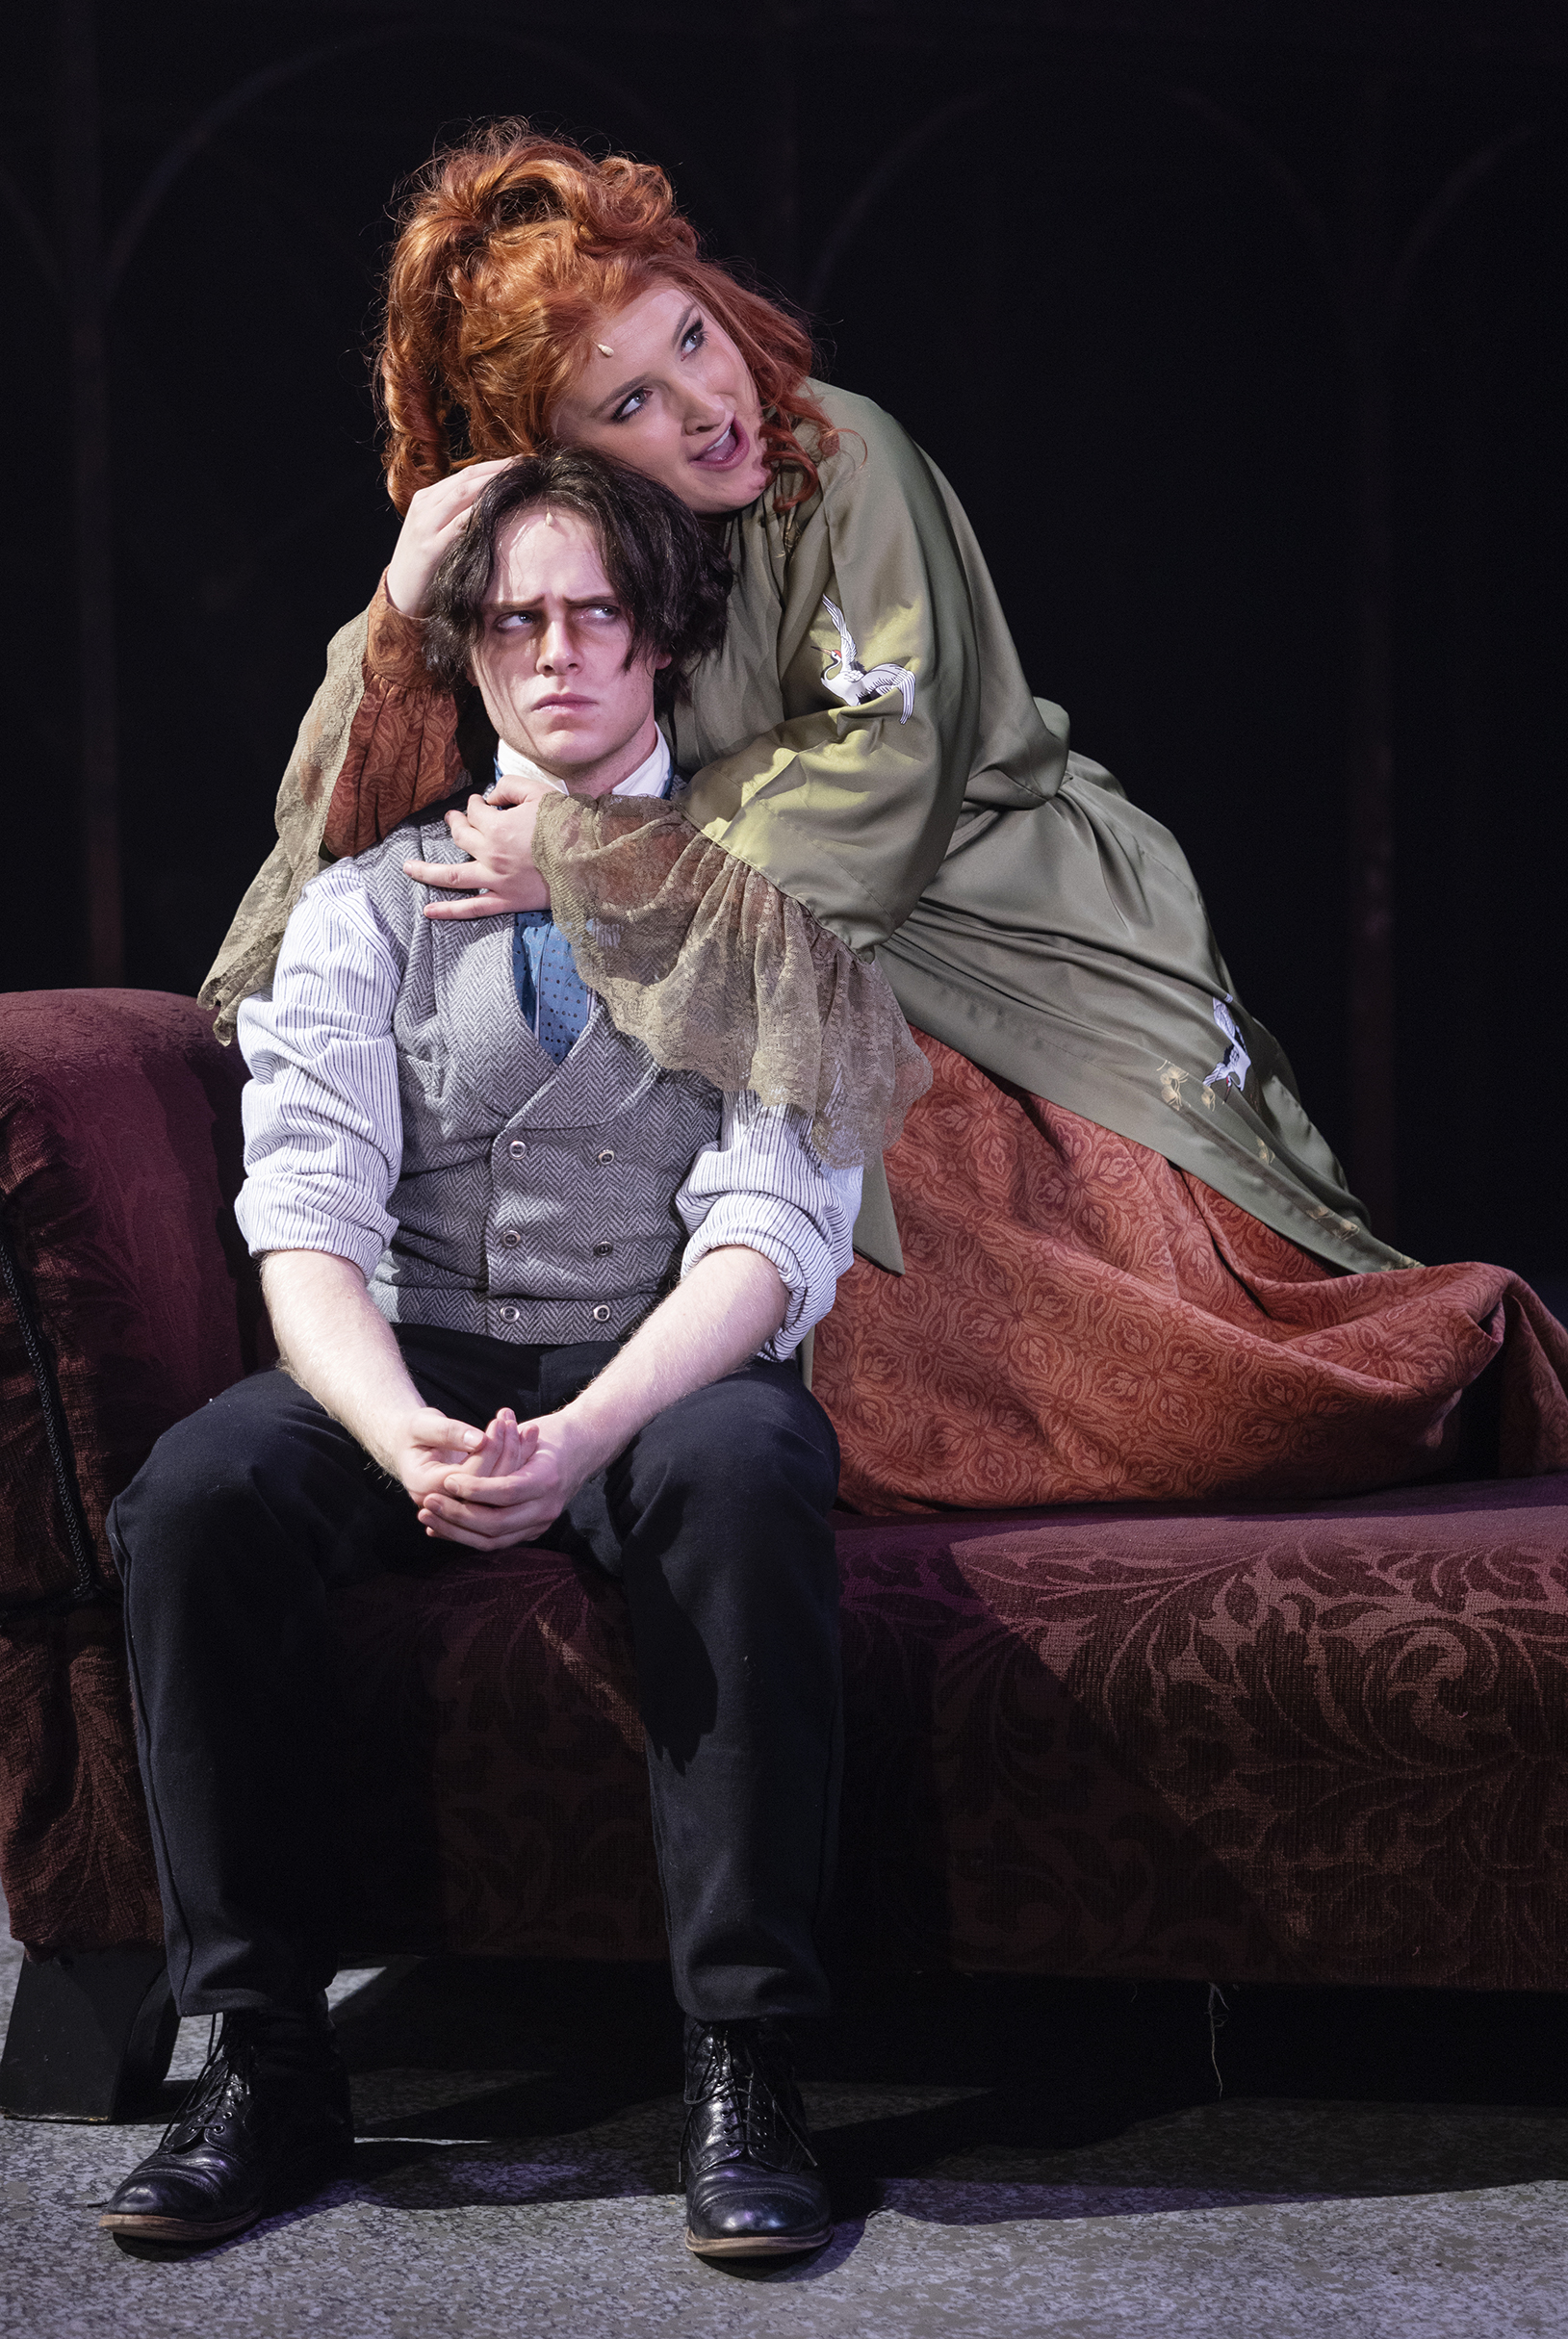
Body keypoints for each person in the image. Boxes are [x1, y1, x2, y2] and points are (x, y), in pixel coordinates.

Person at [203, 122, 1568, 1511]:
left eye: (688, 336)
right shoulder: (581, 564)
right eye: (623, 411)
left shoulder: (840, 455)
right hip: (752, 942)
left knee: (1089, 1298)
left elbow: (884, 766)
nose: (698, 402)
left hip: (982, 908)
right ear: (561, 463)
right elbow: (348, 815)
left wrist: (589, 858)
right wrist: (404, 593)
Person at [100, 449, 871, 2260]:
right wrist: (395, 1433)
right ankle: (265, 2053)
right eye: (515, 618)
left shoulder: (773, 911)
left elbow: (770, 1234)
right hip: (415, 1346)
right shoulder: (367, 904)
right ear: (468, 650)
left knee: (748, 1475)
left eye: (595, 611)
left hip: (664, 1359)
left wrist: (593, 1429)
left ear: (663, 636)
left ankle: (741, 2053)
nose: (556, 655)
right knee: (200, 1492)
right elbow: (305, 1214)